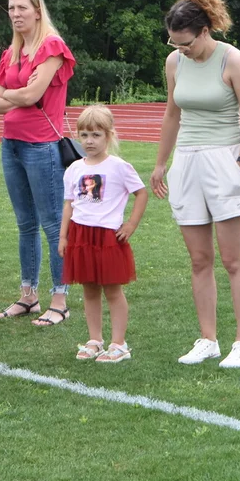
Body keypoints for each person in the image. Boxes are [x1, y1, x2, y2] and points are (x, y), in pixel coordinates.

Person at [151, 0, 240, 369]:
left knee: (233, 259)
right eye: (174, 43)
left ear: (204, 30)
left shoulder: (232, 59)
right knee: (199, 259)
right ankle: (208, 339)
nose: (181, 50)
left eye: (187, 43)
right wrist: (162, 163)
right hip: (187, 161)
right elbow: (172, 114)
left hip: (225, 158)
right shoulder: (175, 63)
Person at [0, 0, 76, 327]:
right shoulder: (10, 53)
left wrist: (15, 95)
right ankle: (28, 296)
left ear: (38, 10)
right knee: (25, 224)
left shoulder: (52, 47)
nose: (15, 13)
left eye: (22, 7)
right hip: (11, 144)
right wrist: (19, 94)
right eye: (11, 8)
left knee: (54, 224)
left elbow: (33, 95)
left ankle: (60, 299)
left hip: (41, 146)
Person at [61, 105, 148, 363]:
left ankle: (119, 344)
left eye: (96, 135)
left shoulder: (119, 167)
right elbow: (69, 204)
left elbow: (141, 193)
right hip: (80, 236)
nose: (89, 141)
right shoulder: (74, 168)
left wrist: (131, 224)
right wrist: (63, 237)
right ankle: (94, 340)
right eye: (84, 134)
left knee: (112, 290)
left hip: (108, 237)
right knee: (89, 289)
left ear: (109, 135)